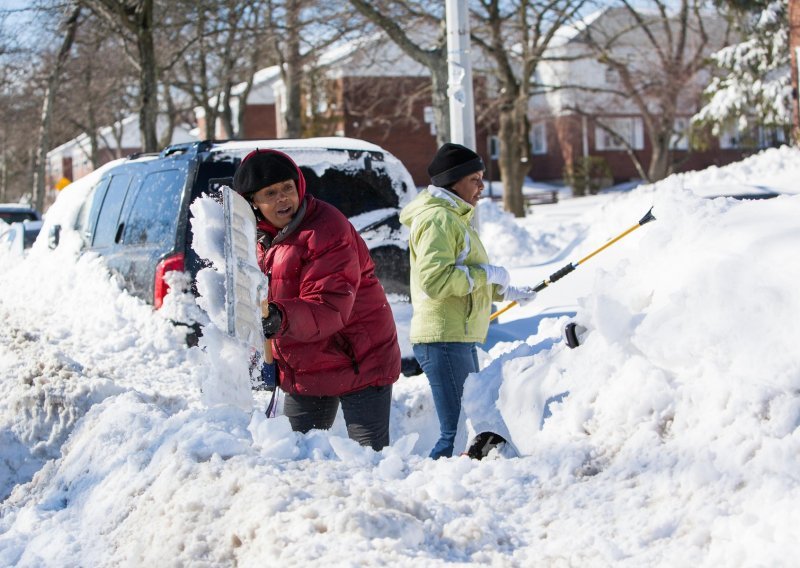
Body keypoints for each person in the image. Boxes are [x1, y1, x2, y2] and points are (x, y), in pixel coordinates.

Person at [233, 149, 401, 451]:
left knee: (371, 463)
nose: (284, 198)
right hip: (307, 363)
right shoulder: (260, 238)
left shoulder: (325, 229)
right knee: (296, 457)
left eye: (288, 187)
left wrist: (279, 317)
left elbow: (329, 307)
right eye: (271, 193)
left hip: (359, 359)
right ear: (253, 203)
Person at [399, 142, 537, 459]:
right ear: (453, 181)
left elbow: (465, 274)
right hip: (443, 337)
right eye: (474, 178)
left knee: (466, 425)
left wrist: (505, 290)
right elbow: (435, 281)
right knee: (456, 430)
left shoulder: (455, 218)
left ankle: (456, 482)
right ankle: (431, 489)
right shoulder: (438, 220)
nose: (481, 186)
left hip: (457, 336)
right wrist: (488, 275)